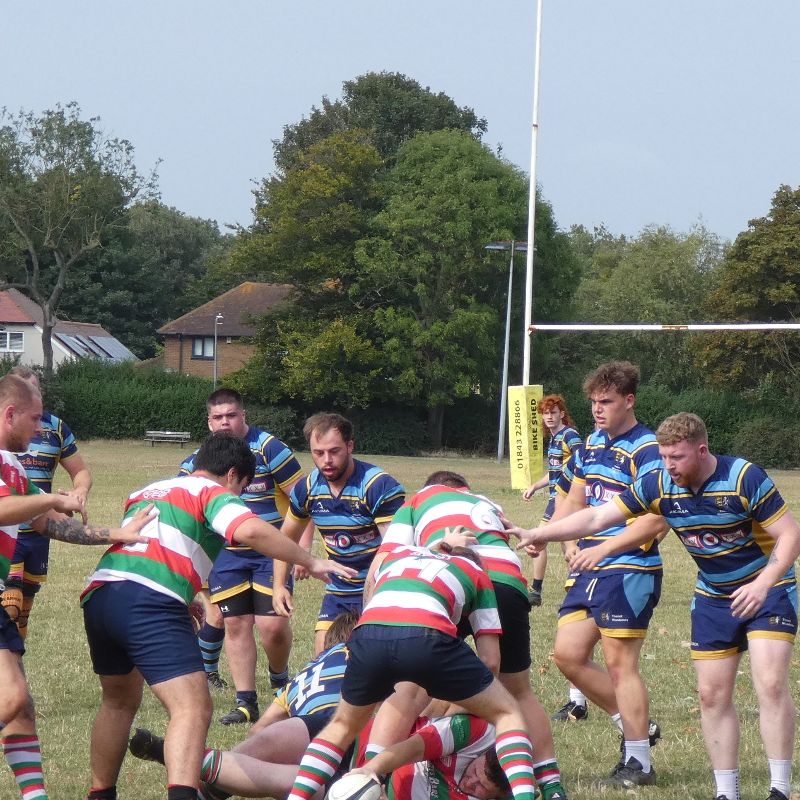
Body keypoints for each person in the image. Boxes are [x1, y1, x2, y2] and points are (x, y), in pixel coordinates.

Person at [515, 412, 800, 800]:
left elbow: (789, 535)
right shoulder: (660, 484)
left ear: (701, 450)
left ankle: (779, 790)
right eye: (664, 457)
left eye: (677, 458)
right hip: (715, 594)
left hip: (769, 587)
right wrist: (539, 533)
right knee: (711, 696)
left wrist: (764, 582)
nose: (669, 466)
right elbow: (598, 515)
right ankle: (726, 793)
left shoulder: (743, 477)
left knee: (768, 682)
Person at [81, 432, 354, 800]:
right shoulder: (212, 492)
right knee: (192, 707)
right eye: (241, 488)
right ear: (231, 475)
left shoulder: (150, 490)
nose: (239, 496)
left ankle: (100, 795)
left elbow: (160, 545)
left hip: (102, 595)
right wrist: (310, 560)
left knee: (117, 702)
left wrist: (186, 594)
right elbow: (252, 529)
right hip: (148, 600)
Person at [0, 373, 153, 800]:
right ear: (10, 413)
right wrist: (52, 496)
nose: (39, 428)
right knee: (10, 698)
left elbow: (46, 523)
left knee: (21, 709)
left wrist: (117, 536)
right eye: (33, 419)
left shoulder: (10, 466)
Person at [286, 544, 540, 800]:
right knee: (509, 714)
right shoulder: (478, 573)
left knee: (340, 726)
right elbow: (490, 661)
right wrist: (473, 704)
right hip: (427, 634)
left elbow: (373, 592)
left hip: (369, 631)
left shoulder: (400, 555)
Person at [370, 471, 567, 800]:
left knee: (409, 686)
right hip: (505, 578)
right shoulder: (487, 503)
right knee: (517, 690)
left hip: (454, 574)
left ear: (429, 487)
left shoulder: (416, 502)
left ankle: (371, 773)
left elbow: (384, 562)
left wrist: (375, 617)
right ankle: (550, 783)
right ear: (463, 489)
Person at [520, 362, 667, 787]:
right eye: (594, 402)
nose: (597, 410)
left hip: (629, 567)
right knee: (567, 655)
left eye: (606, 402)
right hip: (589, 566)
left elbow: (659, 521)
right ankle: (636, 728)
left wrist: (602, 547)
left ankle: (638, 763)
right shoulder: (592, 443)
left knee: (621, 666)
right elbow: (574, 502)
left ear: (629, 401)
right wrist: (546, 535)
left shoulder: (647, 448)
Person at [179, 388, 312, 722]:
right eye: (218, 417)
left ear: (244, 416)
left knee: (272, 627)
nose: (225, 422)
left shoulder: (269, 448)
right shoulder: (200, 461)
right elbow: (183, 502)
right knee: (235, 623)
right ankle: (245, 703)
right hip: (226, 555)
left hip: (271, 551)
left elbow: (303, 498)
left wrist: (303, 550)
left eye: (231, 415)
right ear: (209, 423)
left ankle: (280, 679)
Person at [128, 611, 359, 800]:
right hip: (347, 728)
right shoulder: (359, 652)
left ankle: (189, 764)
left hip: (305, 725)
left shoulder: (303, 675)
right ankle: (196, 767)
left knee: (271, 760)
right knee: (311, 785)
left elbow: (259, 731)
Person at [272, 413, 405, 654]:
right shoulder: (308, 489)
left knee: (376, 661)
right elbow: (284, 539)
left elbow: (396, 550)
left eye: (334, 451)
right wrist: (279, 585)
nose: (326, 461)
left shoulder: (377, 486)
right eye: (318, 453)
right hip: (339, 591)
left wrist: (373, 592)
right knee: (324, 656)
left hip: (381, 587)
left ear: (350, 446)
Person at [1, 365, 92, 640]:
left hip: (39, 528)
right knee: (11, 603)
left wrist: (78, 493)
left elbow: (81, 471)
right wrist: (51, 500)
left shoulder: (56, 428)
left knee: (25, 606)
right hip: (11, 526)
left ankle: (15, 656)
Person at [521, 394, 581, 608]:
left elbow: (582, 460)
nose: (549, 417)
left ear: (562, 414)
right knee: (561, 543)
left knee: (543, 539)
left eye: (553, 413)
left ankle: (538, 591)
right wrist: (534, 487)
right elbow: (554, 472)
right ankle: (545, 590)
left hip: (568, 499)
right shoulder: (555, 439)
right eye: (545, 413)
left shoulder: (569, 435)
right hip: (555, 498)